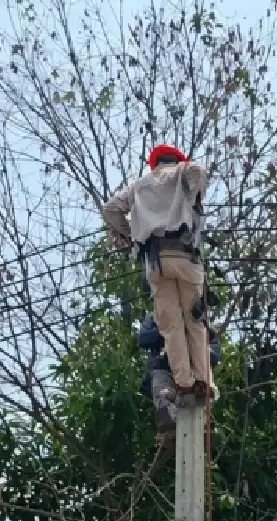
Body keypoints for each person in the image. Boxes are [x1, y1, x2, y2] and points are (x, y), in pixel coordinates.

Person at [102, 143, 210, 399]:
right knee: (195, 320)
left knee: (171, 325)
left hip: (155, 261)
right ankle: (202, 381)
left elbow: (110, 209)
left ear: (155, 163)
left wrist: (132, 236)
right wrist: (195, 194)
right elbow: (200, 173)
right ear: (176, 160)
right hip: (184, 256)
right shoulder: (182, 171)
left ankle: (183, 382)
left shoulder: (139, 185)